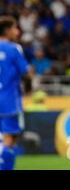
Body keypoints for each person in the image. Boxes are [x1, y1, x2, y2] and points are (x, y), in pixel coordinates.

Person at [0, 16, 34, 170]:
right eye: (15, 28)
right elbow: (26, 72)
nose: (17, 31)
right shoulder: (13, 48)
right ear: (7, 30)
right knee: (10, 139)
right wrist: (29, 84)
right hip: (9, 101)